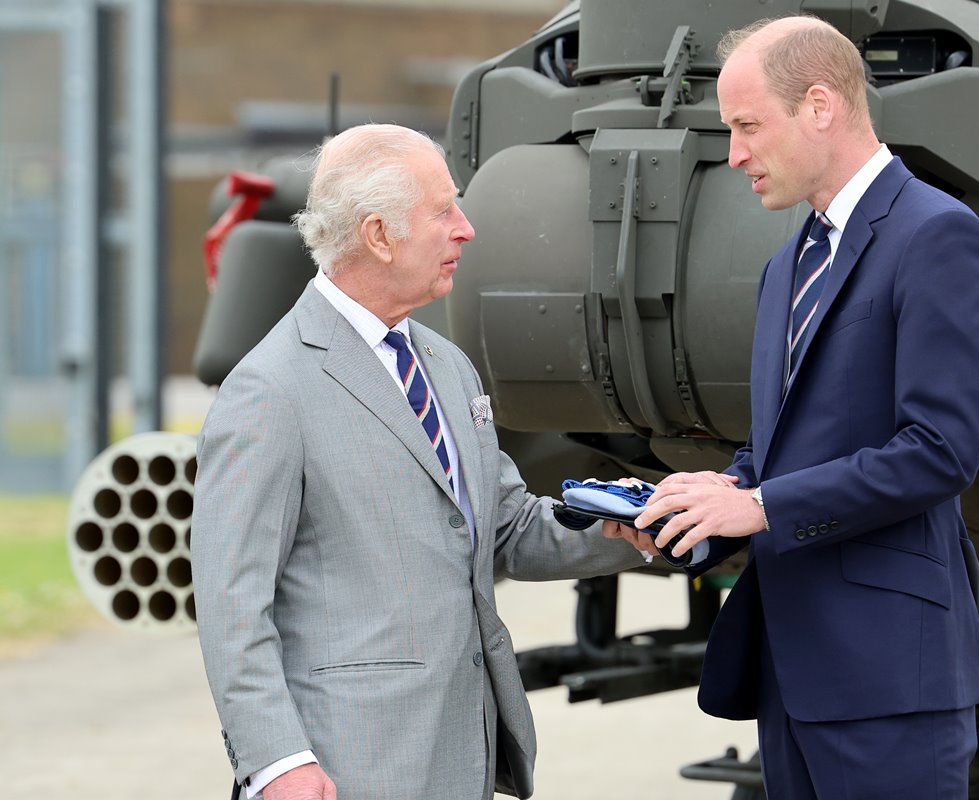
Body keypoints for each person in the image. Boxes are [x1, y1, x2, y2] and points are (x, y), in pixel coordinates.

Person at [190, 123, 648, 800]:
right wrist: (278, 761)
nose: (465, 229)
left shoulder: (446, 367)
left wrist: (633, 522)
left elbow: (506, 526)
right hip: (345, 770)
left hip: (461, 757)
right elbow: (232, 602)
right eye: (443, 211)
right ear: (378, 235)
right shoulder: (269, 390)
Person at [628, 15, 979, 799]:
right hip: (793, 674)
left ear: (821, 106)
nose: (734, 155)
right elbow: (794, 441)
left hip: (890, 682)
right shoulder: (790, 261)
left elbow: (939, 450)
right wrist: (723, 491)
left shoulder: (939, 236)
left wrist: (762, 506)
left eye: (746, 126)